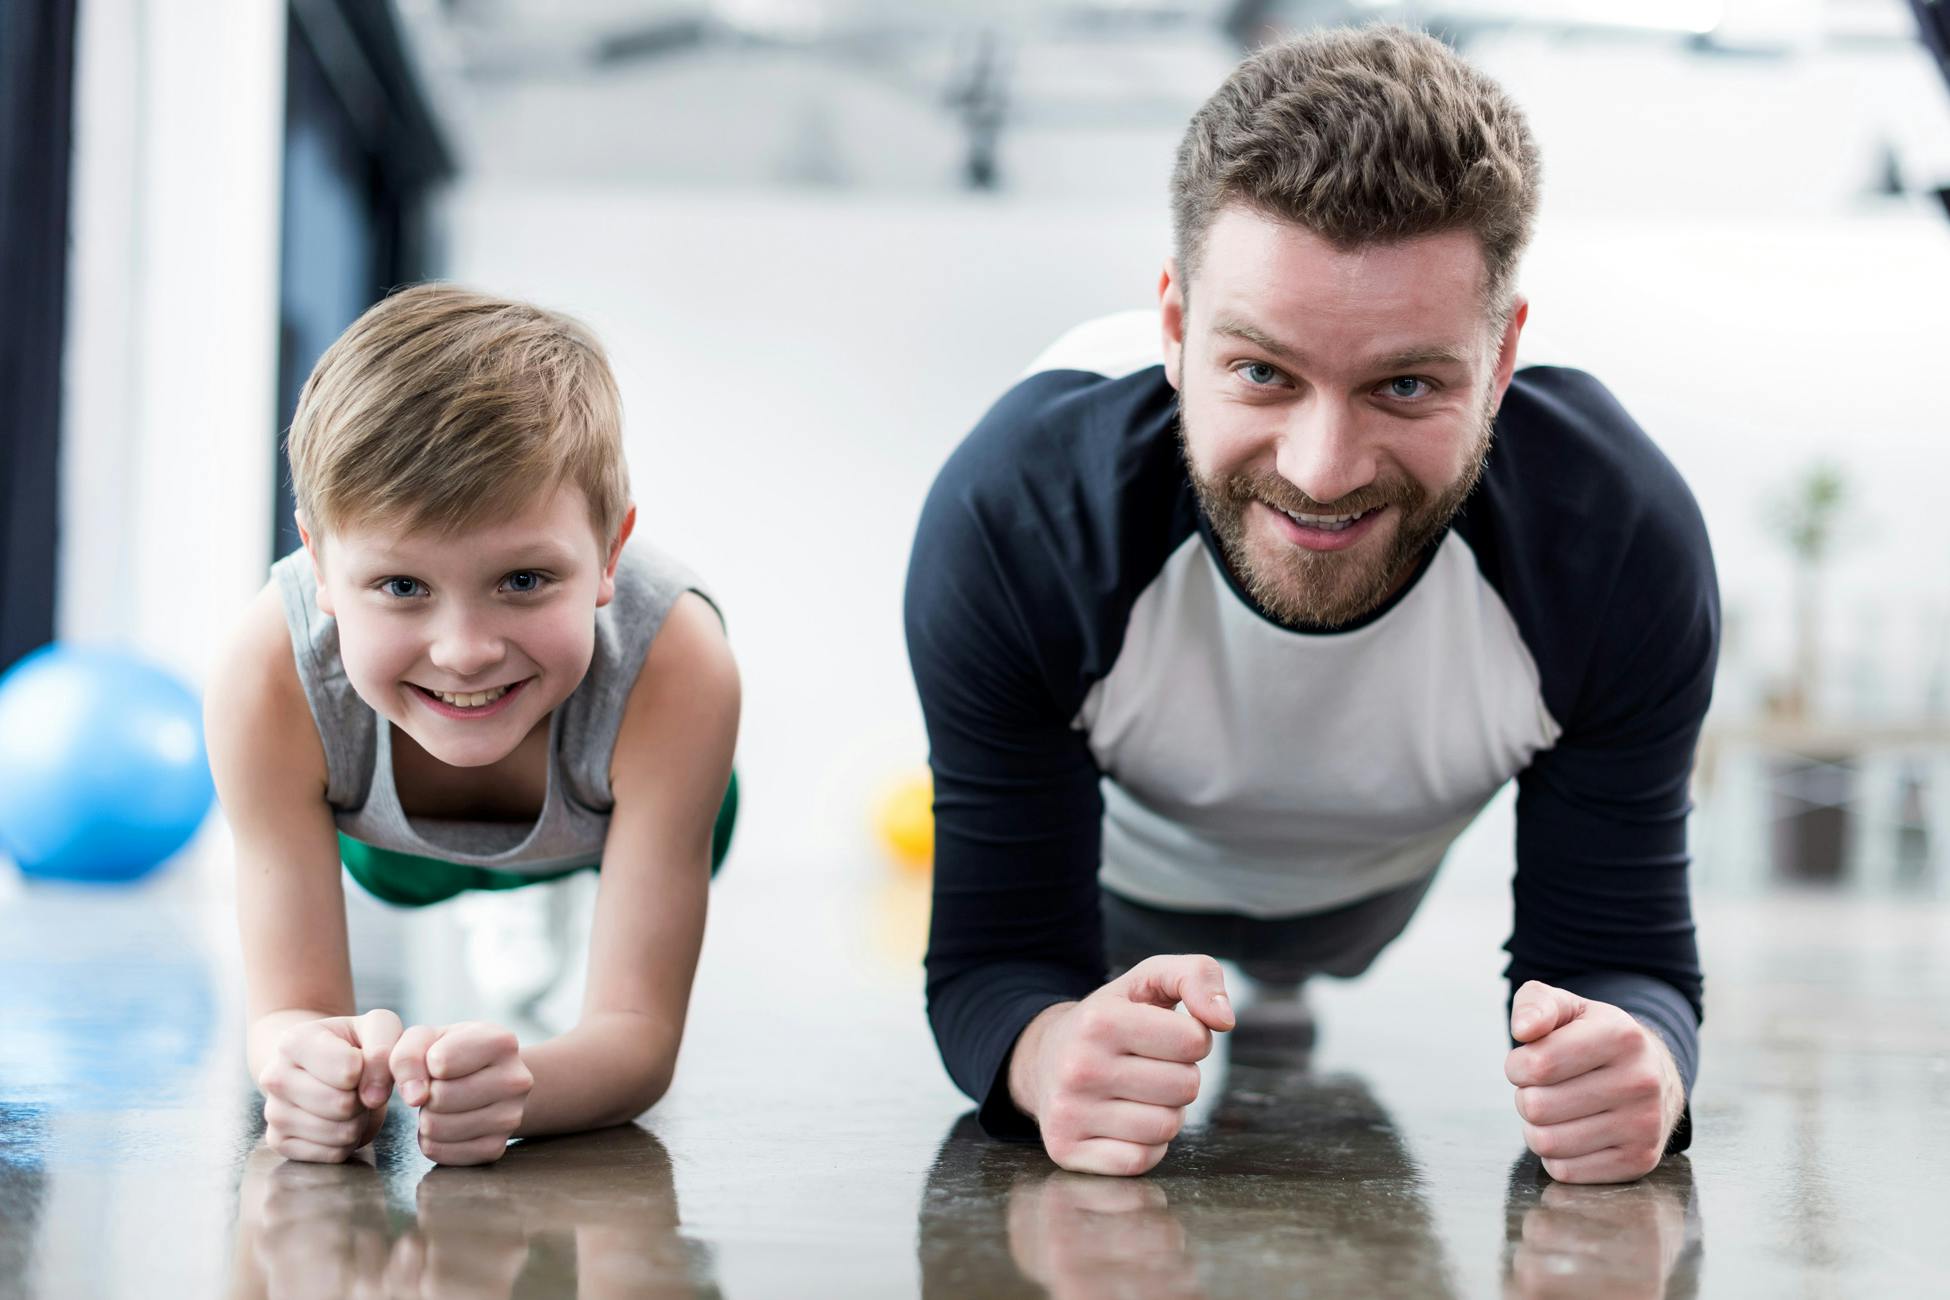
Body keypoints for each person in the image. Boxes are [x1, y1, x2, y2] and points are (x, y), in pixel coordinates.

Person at [904, 25, 1717, 1183]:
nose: (1324, 468)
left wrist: (1646, 1065)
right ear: (1174, 330)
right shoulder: (1020, 515)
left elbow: (1622, 957)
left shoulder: (1617, 538)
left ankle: (1278, 986)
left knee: (1302, 961)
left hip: (1362, 900)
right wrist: (1048, 1051)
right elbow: (995, 961)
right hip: (1129, 884)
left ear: (1501, 361)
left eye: (1405, 383)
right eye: (1262, 372)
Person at [207, 285, 740, 1166]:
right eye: (402, 587)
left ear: (610, 554)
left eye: (524, 580)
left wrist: (521, 1084)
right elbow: (287, 1011)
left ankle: (556, 905)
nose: (463, 653)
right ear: (321, 568)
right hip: (389, 855)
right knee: (405, 873)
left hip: (604, 827)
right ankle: (503, 908)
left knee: (698, 816)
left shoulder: (677, 664)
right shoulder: (265, 677)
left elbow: (637, 1038)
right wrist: (305, 1067)